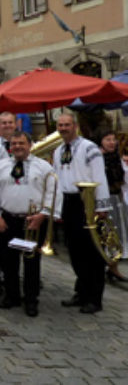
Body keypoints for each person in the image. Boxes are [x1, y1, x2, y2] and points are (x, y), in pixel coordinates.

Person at [0, 131, 59, 317]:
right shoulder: (0, 167)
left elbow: (53, 192)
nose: (17, 146)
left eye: (21, 143)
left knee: (31, 262)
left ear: (30, 144)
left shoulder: (43, 167)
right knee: (8, 261)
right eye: (14, 143)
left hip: (32, 221)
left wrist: (43, 214)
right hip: (7, 220)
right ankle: (11, 295)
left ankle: (31, 299)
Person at [53, 113, 111, 314]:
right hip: (68, 202)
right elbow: (58, 179)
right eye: (60, 125)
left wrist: (101, 206)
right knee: (75, 250)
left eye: (67, 125)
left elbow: (99, 176)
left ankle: (95, 298)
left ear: (75, 126)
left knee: (92, 252)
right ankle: (81, 292)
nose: (63, 128)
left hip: (86, 201)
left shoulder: (89, 148)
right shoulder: (58, 150)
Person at [100, 131, 128, 280]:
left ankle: (113, 266)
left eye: (113, 140)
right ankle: (104, 264)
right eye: (107, 139)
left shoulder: (117, 158)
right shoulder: (98, 159)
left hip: (118, 197)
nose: (112, 142)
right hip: (105, 199)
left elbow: (123, 180)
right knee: (106, 232)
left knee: (118, 232)